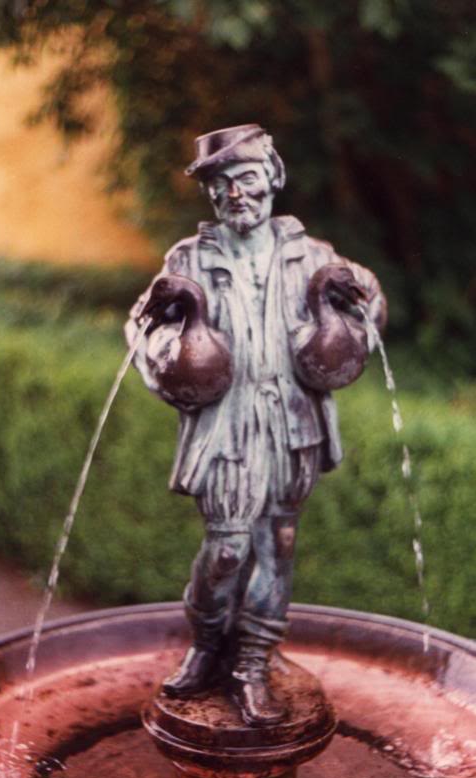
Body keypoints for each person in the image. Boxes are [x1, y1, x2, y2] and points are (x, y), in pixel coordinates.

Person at [125, 124, 387, 726]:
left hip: (294, 423)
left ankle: (252, 663)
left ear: (273, 177)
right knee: (225, 549)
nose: (236, 194)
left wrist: (358, 304)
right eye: (221, 185)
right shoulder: (189, 259)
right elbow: (141, 330)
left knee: (280, 542)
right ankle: (206, 643)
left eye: (246, 178)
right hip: (228, 428)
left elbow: (370, 308)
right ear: (211, 196)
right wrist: (168, 348)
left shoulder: (314, 255)